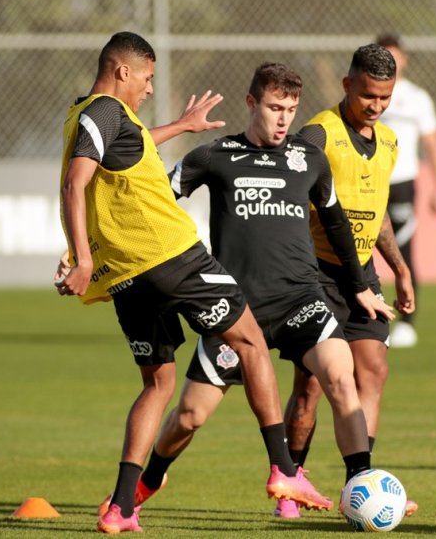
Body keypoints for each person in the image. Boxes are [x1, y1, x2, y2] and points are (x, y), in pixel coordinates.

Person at [54, 32, 331, 534]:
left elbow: (126, 152)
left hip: (129, 275)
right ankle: (284, 471)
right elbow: (77, 181)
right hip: (169, 254)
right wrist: (81, 257)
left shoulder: (90, 117)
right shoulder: (104, 111)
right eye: (147, 78)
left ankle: (121, 508)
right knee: (251, 341)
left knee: (158, 385)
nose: (149, 88)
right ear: (122, 72)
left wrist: (181, 126)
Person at [95, 61, 396, 520]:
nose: (283, 119)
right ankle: (150, 479)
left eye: (291, 109)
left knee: (341, 376)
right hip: (236, 311)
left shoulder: (308, 159)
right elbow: (154, 198)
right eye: (275, 107)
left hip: (301, 299)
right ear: (252, 103)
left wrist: (361, 288)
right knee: (189, 416)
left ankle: (364, 486)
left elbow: (335, 225)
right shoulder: (213, 156)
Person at [276, 43, 418, 518]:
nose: (376, 106)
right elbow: (290, 194)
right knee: (313, 385)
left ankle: (362, 485)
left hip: (363, 273)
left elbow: (376, 217)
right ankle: (291, 484)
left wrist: (399, 268)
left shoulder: (391, 143)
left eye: (385, 97)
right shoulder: (319, 133)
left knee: (373, 369)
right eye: (367, 96)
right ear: (347, 85)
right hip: (315, 273)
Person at [376, 33, 436, 348]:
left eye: (395, 56)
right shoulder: (368, 94)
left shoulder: (417, 98)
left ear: (404, 59)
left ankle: (406, 322)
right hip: (369, 181)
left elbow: (431, 142)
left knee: (403, 250)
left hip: (403, 181)